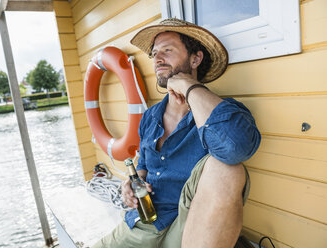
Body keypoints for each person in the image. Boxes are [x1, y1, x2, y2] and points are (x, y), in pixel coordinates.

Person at [92, 18, 261, 248]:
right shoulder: (150, 117)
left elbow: (235, 148)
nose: (158, 59)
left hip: (188, 229)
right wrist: (133, 183)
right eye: (155, 53)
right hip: (143, 224)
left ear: (195, 58)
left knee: (228, 169)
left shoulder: (220, 113)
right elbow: (143, 165)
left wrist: (189, 87)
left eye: (168, 50)